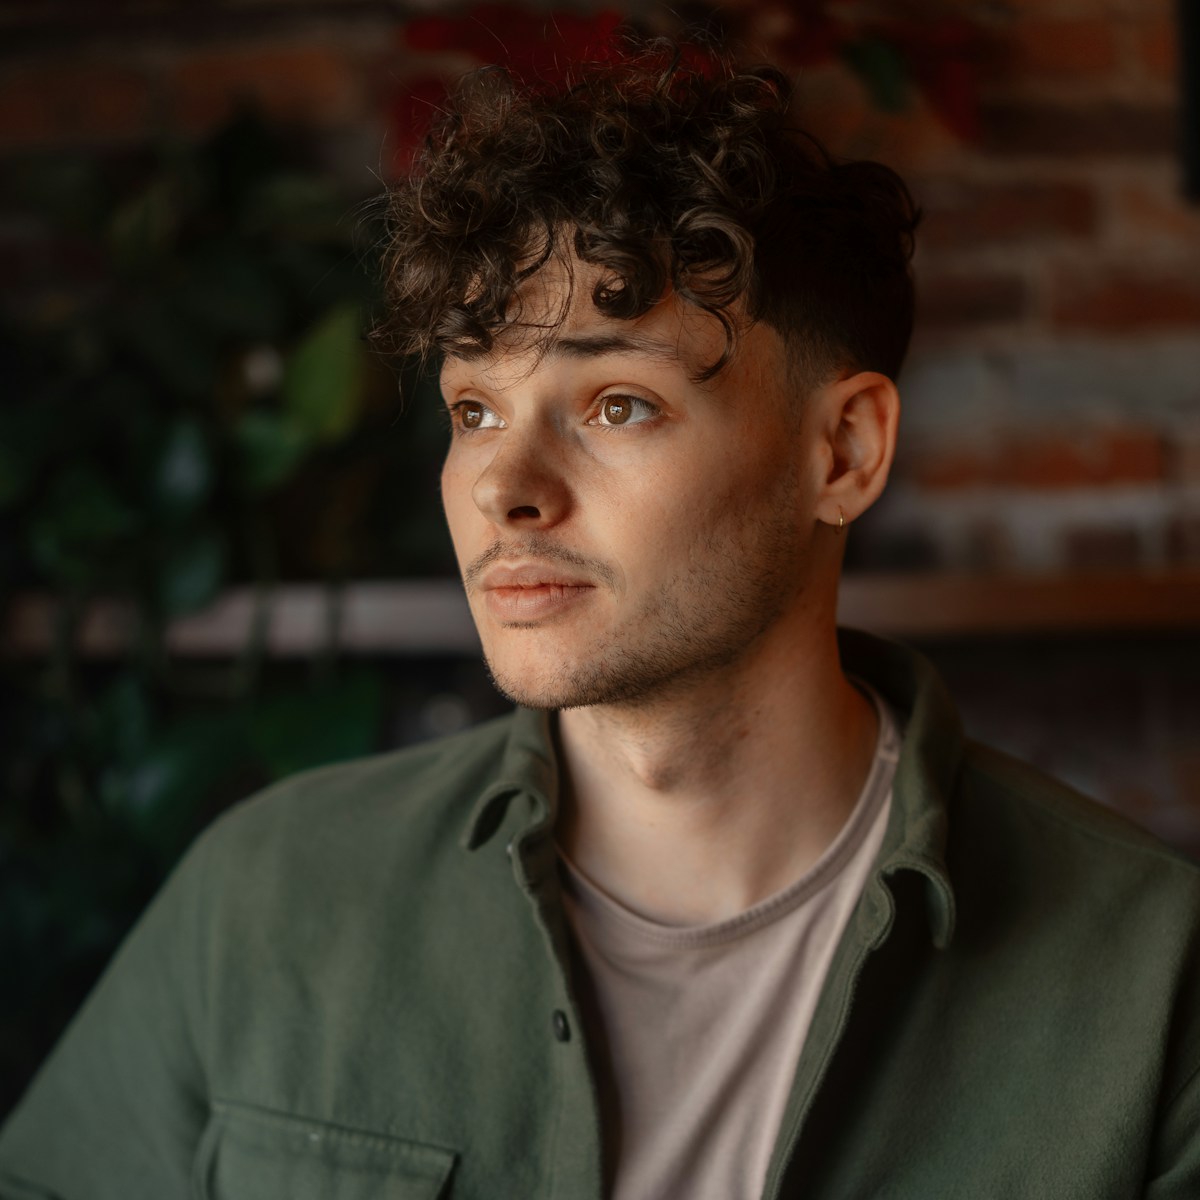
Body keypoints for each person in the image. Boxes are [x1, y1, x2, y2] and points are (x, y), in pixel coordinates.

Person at [2, 44, 1199, 1200]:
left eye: (617, 403)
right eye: (474, 409)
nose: (500, 484)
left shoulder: (1156, 976)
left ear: (842, 451)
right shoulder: (266, 896)